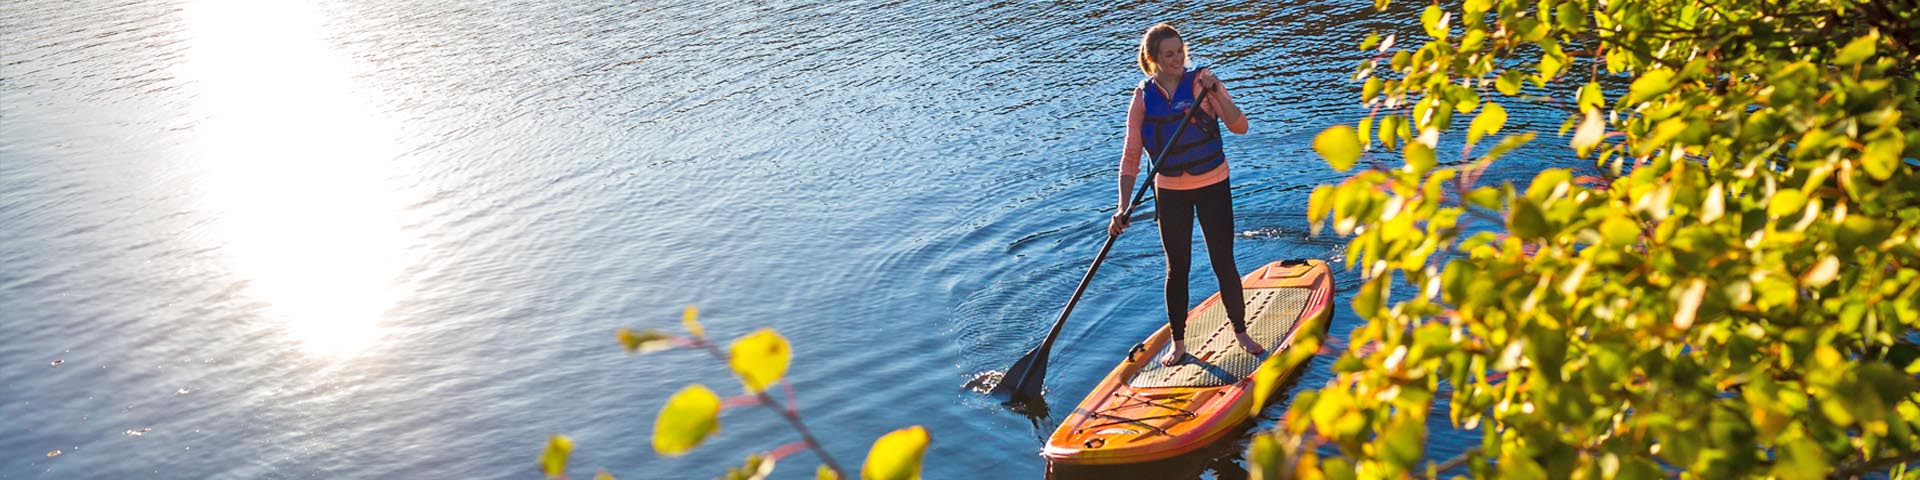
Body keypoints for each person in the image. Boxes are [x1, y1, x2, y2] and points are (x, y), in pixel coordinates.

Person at [1107, 23, 1258, 365]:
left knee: (1223, 260)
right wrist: (1122, 206)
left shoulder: (1203, 82)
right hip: (1171, 191)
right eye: (1169, 54)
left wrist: (1217, 91)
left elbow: (1239, 125)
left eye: (1180, 52)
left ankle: (1240, 331)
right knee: (1178, 267)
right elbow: (1130, 156)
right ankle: (1178, 342)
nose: (1178, 59)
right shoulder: (1143, 97)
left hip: (1213, 184)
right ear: (1152, 59)